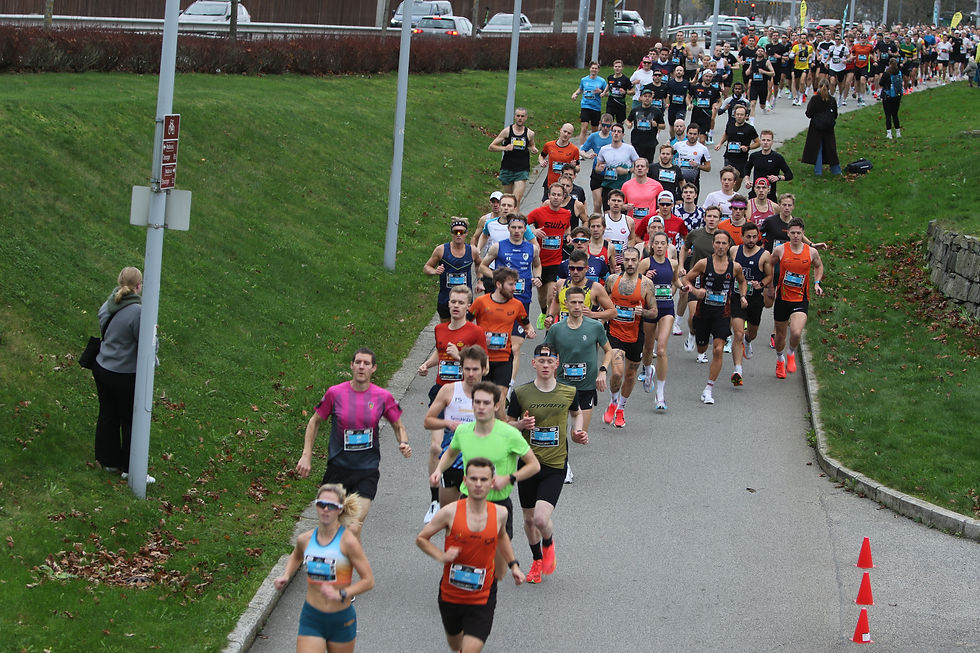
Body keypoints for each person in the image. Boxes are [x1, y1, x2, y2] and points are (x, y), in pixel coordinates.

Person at [297, 348, 412, 532]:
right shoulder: (335, 393)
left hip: (366, 471)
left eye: (366, 363)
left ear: (373, 368)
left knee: (353, 525)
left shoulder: (383, 397)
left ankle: (353, 560)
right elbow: (314, 422)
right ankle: (333, 558)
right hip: (338, 469)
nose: (361, 367)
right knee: (330, 526)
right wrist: (306, 455)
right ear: (351, 365)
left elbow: (398, 426)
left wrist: (403, 442)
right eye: (358, 362)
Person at [417, 458, 525, 653]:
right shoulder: (449, 512)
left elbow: (502, 537)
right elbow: (422, 538)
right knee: (455, 644)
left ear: (492, 482)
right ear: (465, 481)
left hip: (483, 595)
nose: (478, 484)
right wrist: (441, 556)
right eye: (473, 479)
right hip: (451, 594)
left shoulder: (500, 513)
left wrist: (514, 565)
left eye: (483, 479)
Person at [432, 382, 541, 572]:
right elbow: (450, 453)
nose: (481, 407)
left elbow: (534, 465)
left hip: (498, 504)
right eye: (477, 402)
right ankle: (464, 590)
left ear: (496, 406)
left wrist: (509, 478)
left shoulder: (510, 434)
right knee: (467, 555)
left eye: (486, 403)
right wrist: (438, 470)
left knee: (494, 561)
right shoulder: (463, 431)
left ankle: (484, 589)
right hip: (469, 502)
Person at [507, 343, 588, 583]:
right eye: (540, 361)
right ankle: (536, 560)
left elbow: (577, 414)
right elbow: (507, 424)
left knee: (542, 519)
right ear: (534, 363)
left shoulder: (568, 392)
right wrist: (520, 426)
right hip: (527, 464)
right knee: (529, 520)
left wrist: (578, 431)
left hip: (554, 465)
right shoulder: (521, 393)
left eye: (549, 361)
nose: (545, 365)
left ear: (557, 364)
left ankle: (548, 543)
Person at [274, 484, 374, 653]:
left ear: (340, 509)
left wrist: (342, 593)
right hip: (312, 617)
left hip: (341, 620)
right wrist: (286, 574)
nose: (326, 509)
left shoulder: (348, 543)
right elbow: (296, 556)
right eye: (321, 504)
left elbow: (368, 581)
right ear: (316, 506)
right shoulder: (305, 539)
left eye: (332, 506)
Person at [92, 266, 153, 482]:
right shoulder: (137, 312)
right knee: (130, 420)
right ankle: (130, 468)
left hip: (102, 367)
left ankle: (107, 461)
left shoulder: (109, 304)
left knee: (108, 415)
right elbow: (145, 344)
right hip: (124, 373)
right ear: (139, 286)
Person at [681, 231, 748, 404]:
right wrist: (696, 291)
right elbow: (686, 280)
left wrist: (742, 296)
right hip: (703, 313)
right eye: (717, 243)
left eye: (724, 243)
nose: (720, 246)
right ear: (713, 245)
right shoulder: (704, 264)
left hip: (722, 314)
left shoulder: (735, 267)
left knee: (718, 349)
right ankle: (695, 335)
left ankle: (708, 389)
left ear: (728, 246)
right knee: (702, 349)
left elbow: (742, 281)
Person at [424, 346, 488, 515]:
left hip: (480, 461)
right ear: (461, 369)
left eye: (475, 369)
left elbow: (503, 425)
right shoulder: (449, 390)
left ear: (484, 369)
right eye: (467, 369)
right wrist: (448, 423)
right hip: (452, 459)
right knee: (450, 517)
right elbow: (428, 421)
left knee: (475, 518)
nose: (471, 374)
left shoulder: (491, 394)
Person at [545, 285, 613, 434]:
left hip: (586, 388)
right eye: (573, 302)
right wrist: (550, 374)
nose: (577, 306)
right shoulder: (556, 329)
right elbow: (545, 354)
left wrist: (603, 371)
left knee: (579, 433)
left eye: (580, 303)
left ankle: (573, 429)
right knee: (559, 432)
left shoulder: (595, 327)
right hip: (563, 386)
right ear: (566, 304)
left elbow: (609, 351)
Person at [601, 247, 656, 427]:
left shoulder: (646, 284)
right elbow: (601, 302)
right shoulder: (612, 280)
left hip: (635, 336)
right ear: (621, 261)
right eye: (627, 260)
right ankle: (612, 402)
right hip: (615, 333)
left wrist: (644, 311)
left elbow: (654, 311)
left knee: (630, 377)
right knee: (617, 372)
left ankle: (621, 409)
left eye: (634, 260)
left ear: (639, 260)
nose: (630, 264)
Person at [471, 266, 537, 410]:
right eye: (511, 284)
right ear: (499, 284)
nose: (515, 288)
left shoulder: (517, 305)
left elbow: (526, 324)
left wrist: (530, 331)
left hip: (504, 359)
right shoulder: (481, 302)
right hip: (483, 359)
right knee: (483, 400)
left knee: (500, 400)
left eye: (515, 284)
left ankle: (498, 429)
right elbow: (465, 323)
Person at [772, 218, 825, 379]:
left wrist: (817, 283)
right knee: (780, 336)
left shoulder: (811, 252)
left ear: (803, 234)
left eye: (799, 233)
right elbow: (769, 264)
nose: (795, 236)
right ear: (788, 233)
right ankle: (780, 360)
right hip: (782, 298)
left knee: (795, 332)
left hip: (800, 299)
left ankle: (790, 353)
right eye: (793, 233)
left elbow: (818, 266)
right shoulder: (780, 250)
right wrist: (769, 284)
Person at [636, 232, 679, 410]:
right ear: (651, 246)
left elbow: (675, 281)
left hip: (667, 309)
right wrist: (646, 277)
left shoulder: (673, 263)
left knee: (661, 349)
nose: (660, 246)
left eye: (663, 243)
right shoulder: (645, 263)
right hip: (650, 310)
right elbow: (634, 285)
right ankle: (647, 370)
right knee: (648, 347)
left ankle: (660, 395)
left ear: (667, 246)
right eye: (657, 243)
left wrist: (681, 288)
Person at [729, 221, 772, 382]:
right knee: (738, 333)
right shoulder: (734, 251)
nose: (752, 240)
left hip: (755, 299)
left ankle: (748, 341)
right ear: (742, 237)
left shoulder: (764, 255)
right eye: (748, 237)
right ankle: (738, 370)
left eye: (755, 237)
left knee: (751, 333)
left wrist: (760, 284)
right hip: (736, 297)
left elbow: (769, 276)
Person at [527, 183, 572, 328]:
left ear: (563, 197)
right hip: (539, 260)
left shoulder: (566, 214)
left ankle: (551, 321)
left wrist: (568, 236)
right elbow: (521, 223)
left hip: (556, 260)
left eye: (559, 195)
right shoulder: (539, 212)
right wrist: (532, 232)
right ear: (549, 195)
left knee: (552, 295)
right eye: (553, 194)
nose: (556, 197)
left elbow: (567, 227)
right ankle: (543, 312)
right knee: (541, 295)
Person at [423, 218, 479, 322]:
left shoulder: (472, 251)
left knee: (464, 333)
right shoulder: (441, 250)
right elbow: (427, 267)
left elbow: (479, 265)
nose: (458, 234)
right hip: (446, 298)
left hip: (465, 299)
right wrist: (435, 271)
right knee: (445, 331)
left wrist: (480, 281)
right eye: (455, 232)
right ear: (451, 233)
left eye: (461, 232)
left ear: (466, 234)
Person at [489, 107, 537, 206]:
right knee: (508, 200)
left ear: (526, 118)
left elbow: (531, 144)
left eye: (522, 116)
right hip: (508, 168)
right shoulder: (507, 131)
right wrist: (504, 148)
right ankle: (507, 220)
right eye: (518, 116)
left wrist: (533, 149)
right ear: (515, 117)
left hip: (522, 169)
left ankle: (516, 221)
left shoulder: (530, 133)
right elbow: (491, 147)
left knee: (516, 200)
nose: (520, 118)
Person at [596, 124, 640, 210]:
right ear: (611, 133)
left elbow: (639, 167)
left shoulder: (629, 149)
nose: (616, 134)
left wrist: (626, 170)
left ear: (623, 135)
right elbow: (597, 168)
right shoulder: (604, 149)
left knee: (622, 212)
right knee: (607, 213)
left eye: (619, 132)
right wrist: (599, 169)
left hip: (623, 186)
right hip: (608, 186)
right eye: (614, 131)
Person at [802, 79, 841, 176]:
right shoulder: (832, 100)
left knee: (817, 149)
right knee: (831, 149)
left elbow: (809, 114)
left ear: (819, 87)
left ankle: (818, 171)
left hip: (816, 128)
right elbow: (835, 115)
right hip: (828, 128)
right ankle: (836, 170)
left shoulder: (815, 99)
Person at [744, 129, 793, 199]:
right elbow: (747, 168)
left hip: (770, 195)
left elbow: (789, 175)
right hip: (755, 194)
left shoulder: (777, 157)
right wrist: (747, 180)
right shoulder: (754, 156)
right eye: (763, 140)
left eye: (768, 140)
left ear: (772, 142)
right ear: (760, 141)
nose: (765, 143)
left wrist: (778, 178)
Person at [580, 114, 614, 214]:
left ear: (611, 126)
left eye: (608, 126)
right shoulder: (594, 137)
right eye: (603, 125)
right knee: (598, 203)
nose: (605, 128)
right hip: (597, 173)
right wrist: (587, 156)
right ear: (600, 123)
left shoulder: (614, 136)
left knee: (608, 206)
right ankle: (596, 224)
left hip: (610, 175)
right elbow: (582, 150)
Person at [714, 105, 759, 178]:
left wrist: (748, 147)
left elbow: (758, 143)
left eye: (741, 115)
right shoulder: (730, 125)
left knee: (738, 181)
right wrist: (720, 144)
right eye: (737, 114)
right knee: (728, 178)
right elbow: (726, 134)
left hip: (741, 159)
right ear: (734, 115)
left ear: (745, 116)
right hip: (729, 157)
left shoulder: (750, 129)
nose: (739, 116)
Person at [538, 124, 580, 199]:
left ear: (571, 135)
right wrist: (541, 161)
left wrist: (573, 167)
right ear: (560, 130)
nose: (566, 134)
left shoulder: (574, 150)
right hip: (550, 182)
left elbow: (578, 168)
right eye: (565, 131)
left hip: (565, 184)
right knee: (546, 206)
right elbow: (541, 155)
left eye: (569, 133)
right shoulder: (549, 145)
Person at [626, 89, 665, 166]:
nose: (647, 98)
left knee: (648, 164)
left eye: (649, 97)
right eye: (645, 96)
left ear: (652, 99)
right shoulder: (635, 110)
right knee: (637, 163)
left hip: (650, 142)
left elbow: (663, 126)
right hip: (637, 141)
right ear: (641, 98)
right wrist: (629, 124)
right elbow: (628, 120)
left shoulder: (656, 111)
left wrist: (656, 124)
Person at [572, 61, 608, 144]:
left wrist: (601, 91)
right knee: (584, 128)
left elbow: (606, 94)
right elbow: (581, 89)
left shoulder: (602, 81)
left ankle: (594, 148)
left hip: (596, 107)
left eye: (596, 68)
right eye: (592, 68)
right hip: (585, 106)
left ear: (598, 70)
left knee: (594, 131)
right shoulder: (584, 80)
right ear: (590, 69)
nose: (594, 70)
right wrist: (575, 94)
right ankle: (582, 149)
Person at [673, 123, 712, 194]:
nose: (692, 136)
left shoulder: (703, 149)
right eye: (690, 133)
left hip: (693, 182)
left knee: (691, 204)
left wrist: (697, 165)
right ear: (687, 133)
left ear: (698, 135)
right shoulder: (678, 146)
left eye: (695, 134)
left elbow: (708, 168)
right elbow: (668, 157)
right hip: (678, 180)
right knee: (678, 203)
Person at [879, 57, 904, 139]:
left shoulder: (887, 73)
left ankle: (889, 133)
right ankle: (898, 132)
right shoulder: (898, 72)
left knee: (888, 115)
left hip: (888, 95)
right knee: (895, 114)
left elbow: (881, 83)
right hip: (897, 96)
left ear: (889, 64)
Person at [605, 59, 634, 124]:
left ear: (622, 68)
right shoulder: (610, 77)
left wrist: (625, 92)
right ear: (613, 67)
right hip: (610, 104)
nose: (617, 68)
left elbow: (633, 91)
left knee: (620, 124)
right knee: (608, 121)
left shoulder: (625, 79)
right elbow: (608, 85)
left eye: (619, 67)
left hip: (620, 104)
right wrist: (604, 92)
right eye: (616, 67)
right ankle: (609, 134)